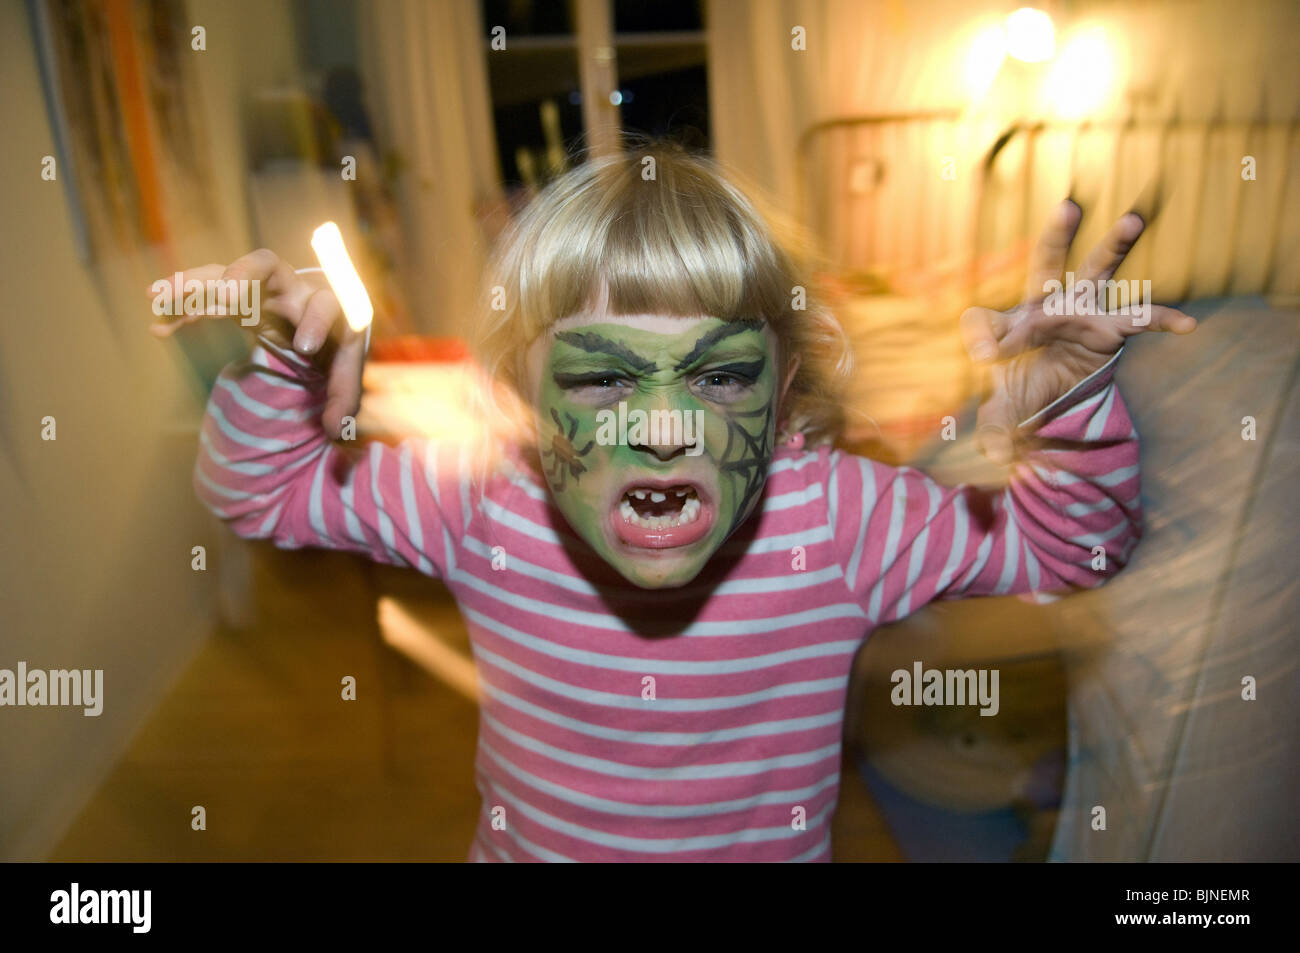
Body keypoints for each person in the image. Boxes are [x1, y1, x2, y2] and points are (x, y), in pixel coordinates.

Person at [152, 144, 1197, 861]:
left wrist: (1065, 407)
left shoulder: (834, 519)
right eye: (602, 377)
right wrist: (283, 365)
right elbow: (260, 491)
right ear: (518, 397)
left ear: (786, 388)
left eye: (717, 376)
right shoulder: (481, 499)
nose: (662, 427)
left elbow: (1073, 554)